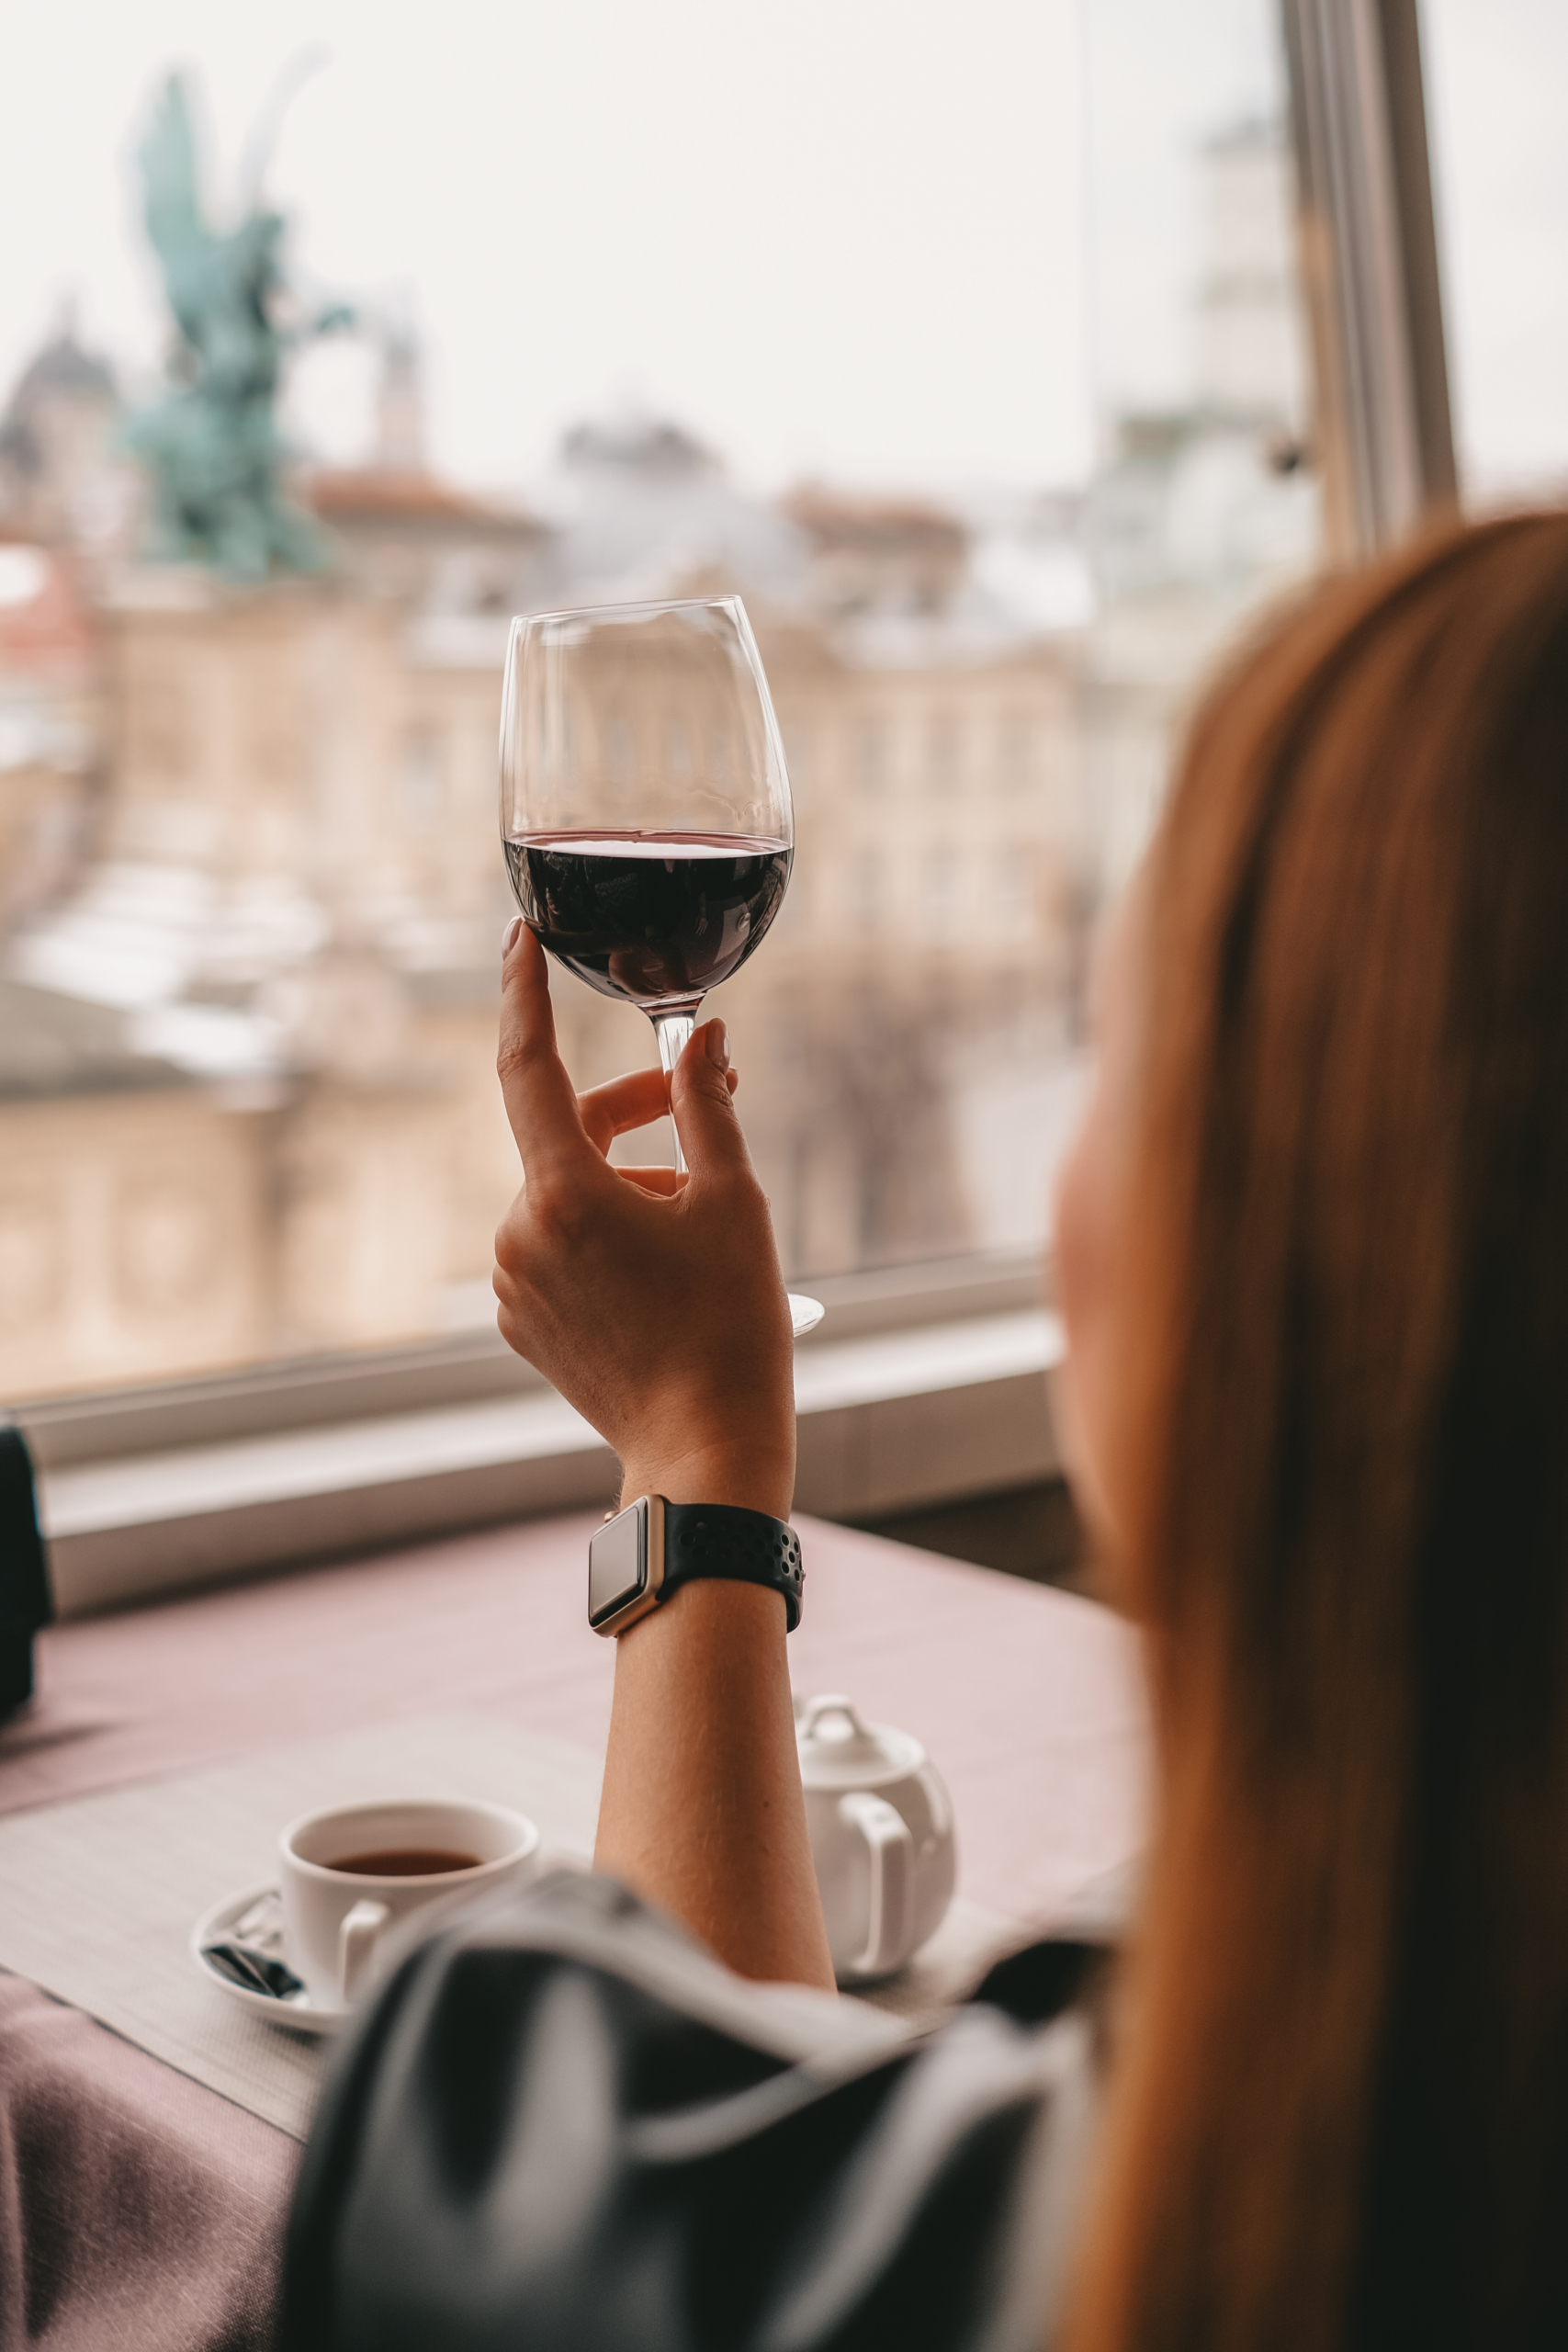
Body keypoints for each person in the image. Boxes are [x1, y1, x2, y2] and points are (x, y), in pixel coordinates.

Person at [281, 511, 1568, 2350]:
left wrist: (693, 1456)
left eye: (1118, 1056)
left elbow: (730, 2150)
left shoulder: (523, 2133)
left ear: (1314, 1274)